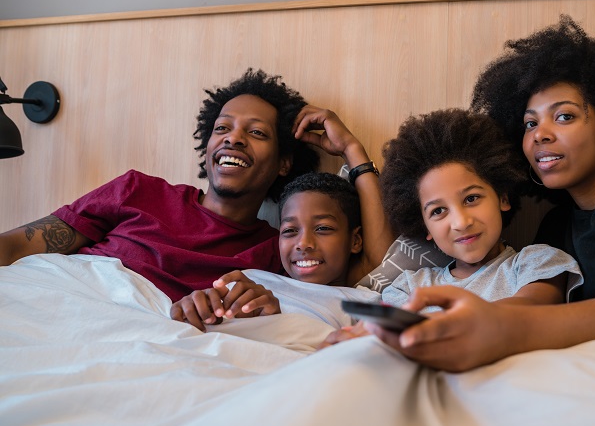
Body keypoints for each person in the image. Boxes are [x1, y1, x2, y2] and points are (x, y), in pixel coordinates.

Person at [366, 16, 595, 372]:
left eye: (564, 116)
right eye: (530, 123)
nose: (540, 134)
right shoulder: (557, 225)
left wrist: (498, 328)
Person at [0, 69, 393, 302]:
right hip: (60, 302)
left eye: (256, 132)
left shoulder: (280, 249)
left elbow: (376, 263)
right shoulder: (137, 190)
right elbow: (18, 245)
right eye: (221, 128)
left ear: (284, 162)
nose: (232, 138)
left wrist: (352, 150)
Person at [320, 109, 581, 346]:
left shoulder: (538, 263)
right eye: (438, 211)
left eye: (471, 199)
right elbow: (387, 336)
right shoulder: (410, 286)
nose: (461, 222)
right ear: (425, 228)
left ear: (502, 198)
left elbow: (528, 310)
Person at [170, 172, 375, 331]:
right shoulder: (250, 281)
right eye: (290, 231)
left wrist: (276, 321)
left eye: (322, 228)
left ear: (355, 240)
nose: (303, 243)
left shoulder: (362, 304)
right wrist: (195, 307)